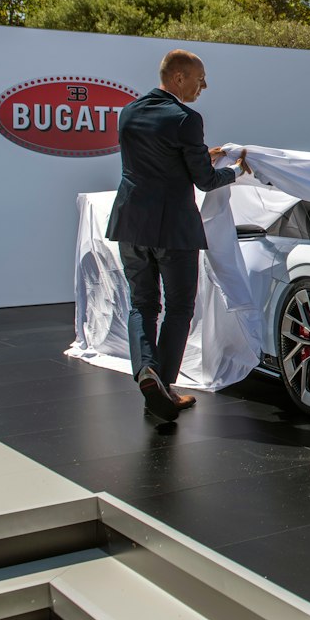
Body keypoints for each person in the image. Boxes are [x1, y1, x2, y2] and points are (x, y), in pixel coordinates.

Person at [108, 49, 250, 424]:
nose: (205, 86)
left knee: (142, 305)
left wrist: (201, 153)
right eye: (200, 79)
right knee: (179, 307)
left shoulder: (129, 112)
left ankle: (147, 373)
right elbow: (205, 180)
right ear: (179, 78)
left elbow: (159, 158)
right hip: (173, 228)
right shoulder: (186, 118)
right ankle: (165, 386)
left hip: (130, 224)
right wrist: (237, 171)